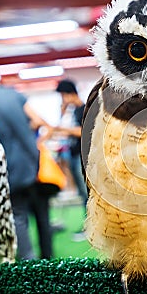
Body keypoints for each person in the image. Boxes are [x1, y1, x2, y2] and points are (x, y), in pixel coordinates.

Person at [0, 62, 54, 259]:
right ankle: (48, 260)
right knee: (42, 215)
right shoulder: (13, 94)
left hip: (9, 172)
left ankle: (28, 264)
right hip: (34, 165)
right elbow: (40, 123)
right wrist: (33, 141)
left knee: (19, 216)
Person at [54, 79, 88, 241]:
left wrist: (65, 130)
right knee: (82, 193)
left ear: (70, 94)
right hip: (74, 156)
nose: (62, 99)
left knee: (87, 194)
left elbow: (84, 131)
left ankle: (90, 228)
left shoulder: (83, 109)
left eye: (63, 96)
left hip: (83, 157)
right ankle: (88, 226)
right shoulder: (73, 111)